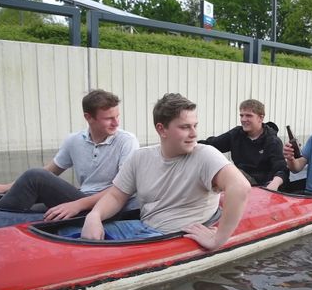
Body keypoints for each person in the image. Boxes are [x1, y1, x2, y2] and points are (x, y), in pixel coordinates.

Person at [80, 93, 251, 251]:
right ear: (161, 129)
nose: (194, 134)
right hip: (140, 228)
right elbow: (116, 196)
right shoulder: (140, 157)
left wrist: (218, 240)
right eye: (185, 127)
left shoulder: (205, 154)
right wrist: (94, 216)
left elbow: (240, 187)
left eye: (195, 126)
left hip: (171, 237)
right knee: (69, 232)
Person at [0, 89, 139, 221]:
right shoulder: (74, 140)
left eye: (117, 116)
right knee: (35, 185)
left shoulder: (127, 141)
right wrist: (3, 188)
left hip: (108, 207)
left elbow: (123, 190)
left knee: (35, 176)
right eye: (109, 118)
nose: (116, 123)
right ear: (89, 118)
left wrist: (77, 205)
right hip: (82, 198)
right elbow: (51, 171)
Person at [199, 99, 286, 190]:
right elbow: (211, 145)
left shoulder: (273, 141)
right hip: (239, 181)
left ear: (261, 118)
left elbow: (281, 169)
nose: (243, 119)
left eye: (248, 116)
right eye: (241, 115)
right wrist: (189, 144)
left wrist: (274, 185)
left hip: (262, 188)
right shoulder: (236, 134)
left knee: (229, 172)